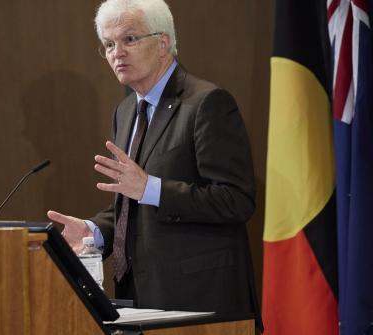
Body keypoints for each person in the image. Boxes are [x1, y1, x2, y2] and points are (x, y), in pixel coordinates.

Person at [47, 0, 262, 327]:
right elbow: (135, 204)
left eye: (129, 39)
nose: (116, 52)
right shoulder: (125, 113)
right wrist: (94, 233)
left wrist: (151, 188)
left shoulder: (207, 104)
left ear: (163, 43)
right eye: (108, 44)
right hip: (138, 302)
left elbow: (236, 199)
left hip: (201, 305)